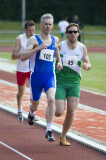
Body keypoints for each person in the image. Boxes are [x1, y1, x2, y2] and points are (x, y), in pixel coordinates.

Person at [21, 13, 62, 141]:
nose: (48, 26)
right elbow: (23, 56)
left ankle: (49, 129)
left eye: (50, 24)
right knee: (35, 105)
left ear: (52, 25)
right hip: (36, 77)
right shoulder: (33, 39)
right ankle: (31, 113)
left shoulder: (55, 39)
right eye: (45, 24)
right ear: (41, 25)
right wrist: (37, 49)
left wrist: (59, 61)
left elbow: (56, 51)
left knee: (51, 99)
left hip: (50, 75)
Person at [55, 23, 91, 146]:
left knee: (71, 112)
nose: (72, 34)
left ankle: (63, 136)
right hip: (61, 82)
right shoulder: (60, 46)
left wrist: (87, 65)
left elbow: (87, 61)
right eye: (70, 32)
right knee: (59, 112)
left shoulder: (82, 47)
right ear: (66, 34)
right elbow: (51, 60)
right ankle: (50, 114)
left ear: (78, 33)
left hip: (75, 83)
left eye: (75, 32)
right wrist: (58, 64)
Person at [11, 20, 38, 122]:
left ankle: (32, 114)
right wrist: (26, 53)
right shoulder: (20, 39)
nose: (32, 33)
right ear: (25, 30)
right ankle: (19, 110)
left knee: (34, 93)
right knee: (21, 92)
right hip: (21, 70)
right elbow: (13, 56)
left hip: (33, 70)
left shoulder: (36, 39)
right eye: (29, 30)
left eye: (33, 30)